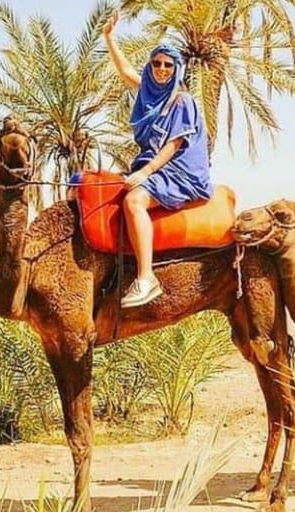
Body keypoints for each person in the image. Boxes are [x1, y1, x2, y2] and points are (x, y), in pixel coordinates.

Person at [103, 13, 213, 308]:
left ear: (176, 68)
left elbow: (176, 144)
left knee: (134, 201)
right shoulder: (148, 95)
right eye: (157, 63)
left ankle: (146, 278)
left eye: (168, 65)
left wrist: (147, 172)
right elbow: (125, 71)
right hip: (154, 164)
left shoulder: (182, 100)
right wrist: (109, 37)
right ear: (150, 66)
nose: (162, 69)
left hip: (180, 170)